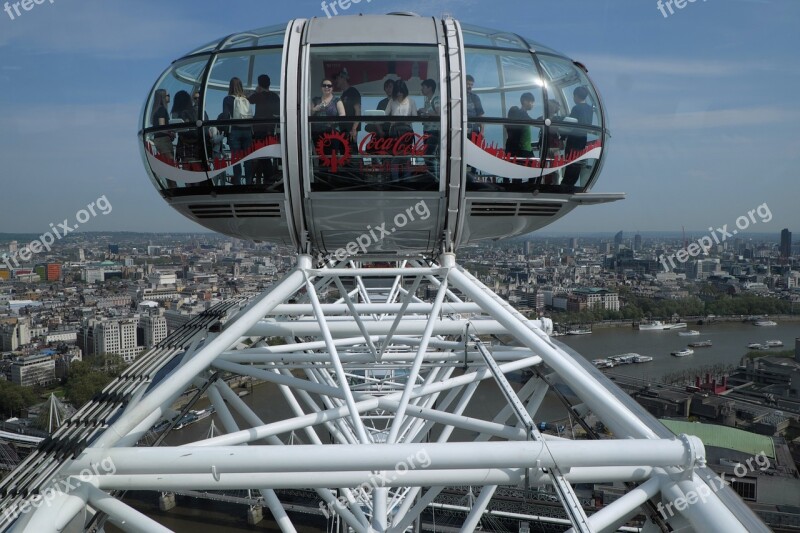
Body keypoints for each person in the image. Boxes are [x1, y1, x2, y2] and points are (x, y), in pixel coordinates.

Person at [248, 74, 281, 183]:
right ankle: (269, 178)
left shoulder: (258, 95)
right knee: (266, 155)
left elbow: (247, 100)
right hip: (271, 130)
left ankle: (267, 178)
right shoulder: (275, 96)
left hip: (259, 130)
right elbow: (278, 112)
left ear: (259, 84)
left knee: (261, 155)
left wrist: (256, 92)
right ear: (269, 84)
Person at [223, 77, 254, 185]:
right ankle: (249, 183)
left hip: (234, 130)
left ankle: (238, 184)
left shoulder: (227, 99)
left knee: (236, 159)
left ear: (230, 86)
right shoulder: (246, 99)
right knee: (248, 159)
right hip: (247, 130)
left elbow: (226, 116)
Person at [563, 86, 594, 187]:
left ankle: (565, 185)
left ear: (576, 96)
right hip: (582, 140)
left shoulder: (576, 108)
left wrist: (562, 137)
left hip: (573, 140)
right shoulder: (590, 109)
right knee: (577, 164)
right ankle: (571, 184)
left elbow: (569, 126)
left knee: (570, 163)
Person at [170, 90, 202, 167]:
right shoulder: (194, 112)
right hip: (195, 146)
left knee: (187, 168)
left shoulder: (179, 114)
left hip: (184, 146)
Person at [335, 69, 361, 153]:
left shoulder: (353, 92)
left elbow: (358, 111)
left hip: (350, 131)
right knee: (344, 155)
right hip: (343, 131)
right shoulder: (343, 95)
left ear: (343, 78)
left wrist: (354, 129)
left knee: (352, 155)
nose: (336, 81)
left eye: (337, 78)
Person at [418, 79, 440, 173]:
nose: (422, 89)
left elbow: (439, 114)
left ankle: (435, 179)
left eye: (423, 87)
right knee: (428, 155)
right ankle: (433, 176)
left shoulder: (436, 99)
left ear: (430, 88)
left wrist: (425, 111)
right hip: (427, 131)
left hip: (434, 131)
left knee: (429, 155)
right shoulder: (428, 101)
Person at [505, 92, 536, 158]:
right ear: (525, 101)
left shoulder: (520, 114)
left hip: (519, 149)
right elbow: (534, 122)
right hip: (523, 151)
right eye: (532, 102)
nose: (533, 104)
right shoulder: (522, 114)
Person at [150, 89, 173, 163]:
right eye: (167, 95)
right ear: (163, 97)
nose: (169, 97)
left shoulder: (156, 109)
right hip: (163, 140)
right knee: (170, 161)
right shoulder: (162, 109)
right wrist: (171, 133)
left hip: (157, 139)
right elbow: (162, 127)